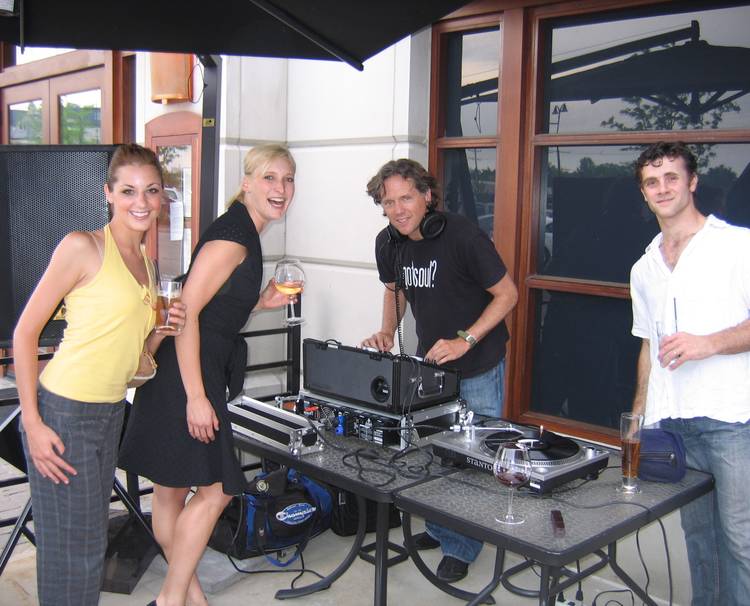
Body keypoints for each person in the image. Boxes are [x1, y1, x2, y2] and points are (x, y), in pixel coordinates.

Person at [119, 144, 298, 606]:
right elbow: (187, 315)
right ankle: (171, 599)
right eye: (269, 177)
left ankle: (187, 598)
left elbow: (214, 307)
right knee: (218, 491)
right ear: (246, 182)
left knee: (170, 494)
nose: (280, 188)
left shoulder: (243, 231)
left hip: (186, 369)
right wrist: (197, 397)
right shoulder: (234, 237)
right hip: (188, 374)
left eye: (287, 179)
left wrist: (259, 302)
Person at [13, 144, 185, 606]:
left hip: (108, 413)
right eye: (128, 190)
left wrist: (162, 331)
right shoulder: (82, 246)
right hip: (64, 413)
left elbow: (133, 366)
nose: (141, 202)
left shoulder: (148, 266)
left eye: (151, 190)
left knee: (89, 545)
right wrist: (33, 422)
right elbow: (25, 333)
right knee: (71, 550)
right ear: (108, 193)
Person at [362, 158, 518, 583]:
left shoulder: (463, 236)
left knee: (471, 459)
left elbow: (508, 295)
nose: (398, 210)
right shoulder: (388, 243)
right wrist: (386, 331)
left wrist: (465, 339)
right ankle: (441, 527)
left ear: (427, 196)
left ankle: (462, 547)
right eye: (389, 203)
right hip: (430, 368)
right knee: (432, 453)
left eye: (406, 198)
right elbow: (394, 290)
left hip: (478, 365)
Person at [630, 141, 750, 606]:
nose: (662, 188)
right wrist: (639, 418)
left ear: (692, 182)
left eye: (671, 177)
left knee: (741, 541)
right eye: (651, 182)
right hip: (674, 424)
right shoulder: (644, 267)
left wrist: (709, 343)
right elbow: (647, 344)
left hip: (732, 420)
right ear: (643, 194)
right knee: (700, 541)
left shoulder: (737, 246)